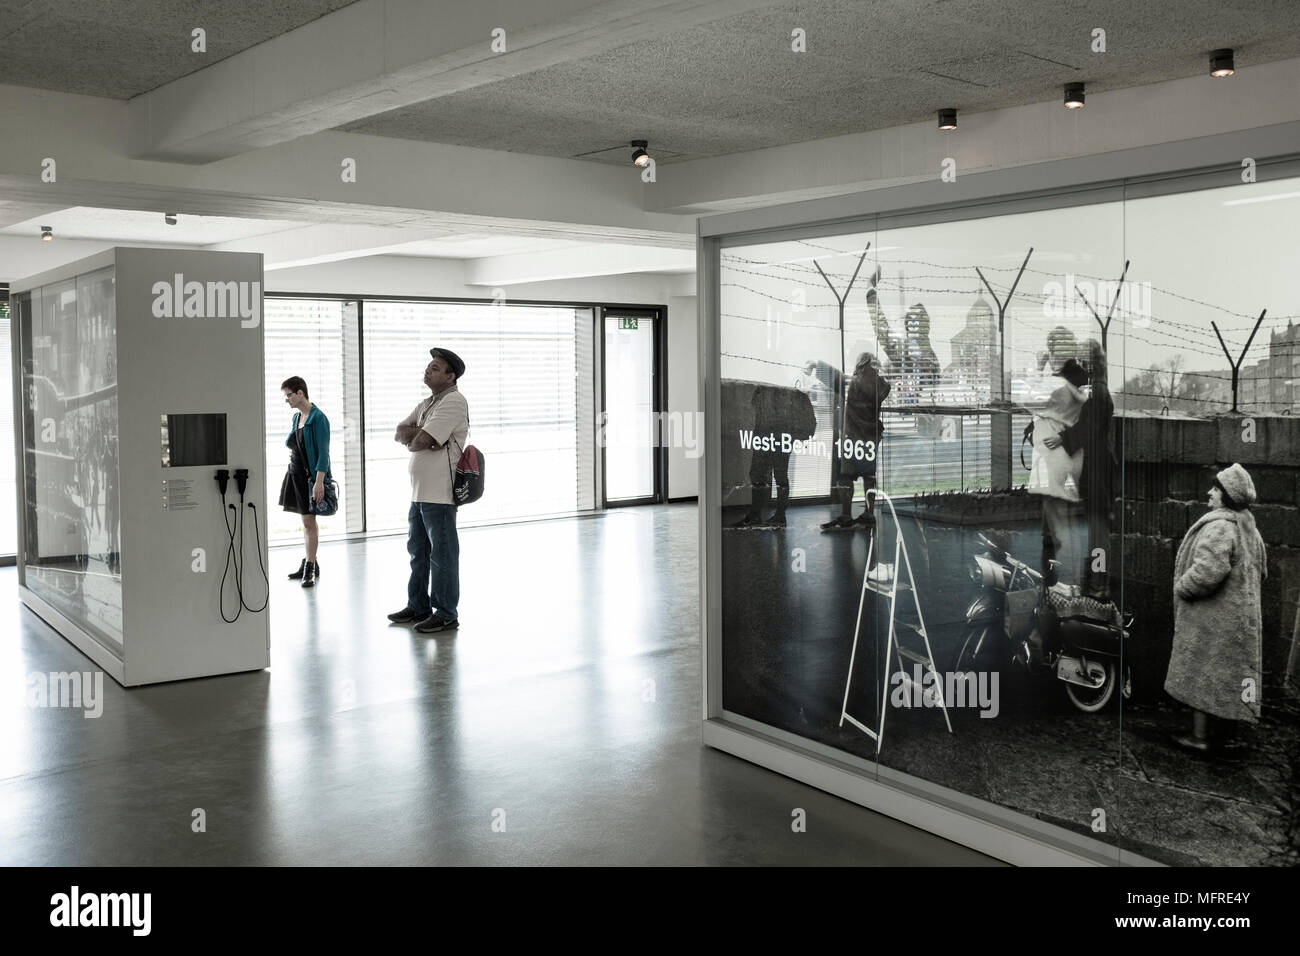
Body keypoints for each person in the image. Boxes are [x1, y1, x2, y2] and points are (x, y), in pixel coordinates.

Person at [1165, 464, 1266, 755]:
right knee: (1230, 675)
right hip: (1238, 620)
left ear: (1227, 495)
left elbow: (1209, 571)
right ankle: (1228, 735)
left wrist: (1183, 587)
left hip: (1212, 617)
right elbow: (1261, 571)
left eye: (1216, 489)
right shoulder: (1249, 528)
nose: (1209, 493)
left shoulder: (1221, 526)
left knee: (1202, 673)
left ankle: (1199, 737)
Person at [387, 349, 470, 633]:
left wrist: (421, 435)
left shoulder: (455, 402)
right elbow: (400, 431)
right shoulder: (427, 403)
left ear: (450, 376)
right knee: (418, 552)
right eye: (428, 366)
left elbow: (419, 441)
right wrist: (421, 435)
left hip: (440, 495)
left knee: (442, 555)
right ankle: (418, 605)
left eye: (435, 368)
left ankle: (446, 613)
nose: (428, 370)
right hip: (419, 495)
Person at [1044, 340, 1116, 600]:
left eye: (1082, 360)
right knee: (1097, 527)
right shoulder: (1098, 388)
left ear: (1090, 362)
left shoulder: (1097, 391)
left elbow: (1088, 427)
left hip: (1097, 467)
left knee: (1098, 529)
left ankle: (1099, 583)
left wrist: (1063, 438)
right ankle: (1097, 581)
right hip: (1096, 465)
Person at [1025, 357, 1088, 586]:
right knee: (1056, 527)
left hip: (1055, 465)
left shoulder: (1062, 393)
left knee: (1060, 526)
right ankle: (1057, 581)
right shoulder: (1077, 396)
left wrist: (1039, 367)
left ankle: (1068, 583)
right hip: (1063, 462)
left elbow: (1025, 399)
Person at [822, 352, 891, 534]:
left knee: (846, 475)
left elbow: (843, 382)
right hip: (867, 437)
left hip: (854, 437)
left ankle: (847, 515)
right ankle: (867, 514)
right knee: (868, 476)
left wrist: (818, 366)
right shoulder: (880, 384)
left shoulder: (858, 381)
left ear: (862, 365)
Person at [279, 376, 332, 589]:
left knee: (310, 523)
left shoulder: (319, 418)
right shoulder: (297, 417)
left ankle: (310, 568)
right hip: (294, 474)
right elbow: (294, 443)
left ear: (300, 393)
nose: (287, 400)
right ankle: (310, 561)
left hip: (310, 478)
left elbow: (323, 455)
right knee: (305, 522)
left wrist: (319, 483)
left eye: (288, 395)